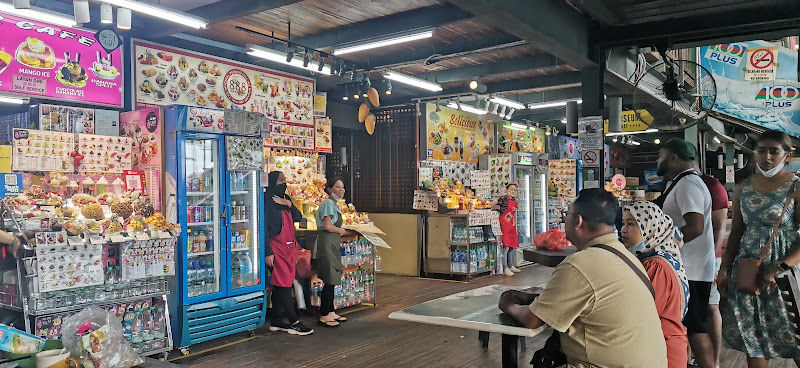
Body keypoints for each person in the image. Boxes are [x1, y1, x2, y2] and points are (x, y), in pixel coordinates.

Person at [499, 189, 667, 367]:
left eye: (567, 214)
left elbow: (533, 320)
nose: (565, 219)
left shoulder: (579, 264)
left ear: (578, 221)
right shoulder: (627, 257)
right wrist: (534, 298)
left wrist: (507, 303)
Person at [717, 130, 800, 368]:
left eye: (774, 151)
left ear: (787, 155)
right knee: (752, 337)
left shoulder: (796, 186)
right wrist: (724, 269)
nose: (767, 157)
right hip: (747, 270)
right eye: (762, 151)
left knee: (793, 331)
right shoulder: (742, 188)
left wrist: (780, 268)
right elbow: (736, 232)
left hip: (784, 272)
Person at [654, 138, 716, 368]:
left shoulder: (688, 184)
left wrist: (664, 245)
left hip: (692, 270)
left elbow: (695, 227)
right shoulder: (680, 183)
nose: (658, 160)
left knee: (695, 328)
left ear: (673, 157)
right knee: (686, 326)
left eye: (661, 155)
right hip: (688, 268)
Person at [620, 200, 689, 368]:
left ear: (651, 228)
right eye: (623, 223)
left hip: (663, 353)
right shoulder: (654, 259)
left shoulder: (656, 266)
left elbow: (644, 313)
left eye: (631, 224)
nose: (623, 230)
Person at [265, 171, 313, 336]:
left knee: (281, 284)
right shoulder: (266, 200)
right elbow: (263, 228)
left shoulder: (285, 198)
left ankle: (276, 321)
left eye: (285, 179)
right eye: (280, 180)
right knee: (284, 283)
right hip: (276, 248)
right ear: (272, 182)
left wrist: (288, 204)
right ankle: (294, 321)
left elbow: (299, 217)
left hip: (289, 248)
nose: (284, 183)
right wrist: (268, 252)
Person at [316, 177, 355, 328]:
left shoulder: (334, 204)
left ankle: (330, 311)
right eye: (337, 187)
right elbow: (327, 226)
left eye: (342, 187)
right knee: (329, 277)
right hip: (327, 242)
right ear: (329, 189)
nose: (341, 190)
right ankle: (324, 314)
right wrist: (342, 231)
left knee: (333, 277)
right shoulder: (328, 203)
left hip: (332, 242)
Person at [700, 173, 729, 367]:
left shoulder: (713, 186)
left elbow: (720, 228)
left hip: (709, 257)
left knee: (711, 307)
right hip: (683, 256)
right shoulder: (672, 183)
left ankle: (716, 361)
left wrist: (711, 263)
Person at [493, 183, 520, 276]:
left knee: (512, 246)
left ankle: (510, 265)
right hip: (504, 225)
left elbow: (513, 213)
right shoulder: (503, 198)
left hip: (511, 225)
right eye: (511, 189)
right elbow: (492, 204)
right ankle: (505, 268)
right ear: (507, 190)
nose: (513, 191)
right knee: (506, 246)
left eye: (514, 189)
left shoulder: (514, 200)